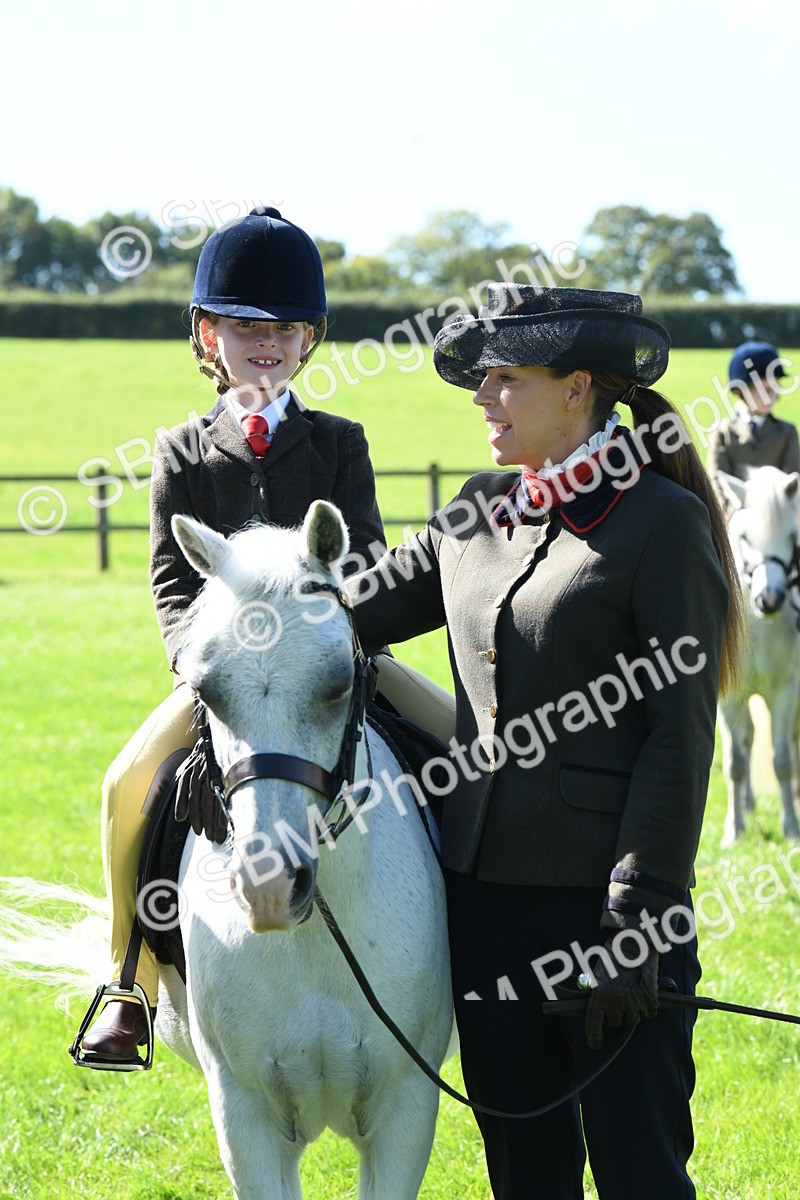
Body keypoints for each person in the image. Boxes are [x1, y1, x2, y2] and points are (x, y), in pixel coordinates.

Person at [345, 285, 745, 1200]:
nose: (483, 397)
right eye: (481, 381)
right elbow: (349, 612)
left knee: (641, 1172)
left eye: (505, 379)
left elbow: (678, 741)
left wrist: (638, 917)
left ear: (577, 389)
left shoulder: (662, 524)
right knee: (525, 1175)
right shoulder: (474, 512)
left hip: (610, 918)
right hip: (483, 909)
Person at [79, 206, 391, 1063]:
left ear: (309, 340)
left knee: (465, 744)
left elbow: (367, 557)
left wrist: (348, 644)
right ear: (206, 335)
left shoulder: (340, 443)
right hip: (226, 681)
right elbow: (173, 583)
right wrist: (198, 663)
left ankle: (474, 954)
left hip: (333, 667)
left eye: (284, 327)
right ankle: (128, 982)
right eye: (243, 325)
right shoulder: (182, 450)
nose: (265, 341)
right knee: (126, 782)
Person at [707, 339, 800, 510]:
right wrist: (728, 513)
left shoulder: (787, 432)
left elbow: (793, 481)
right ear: (740, 390)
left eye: (774, 388)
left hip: (777, 515)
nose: (770, 397)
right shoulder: (723, 432)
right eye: (763, 390)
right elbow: (716, 480)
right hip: (735, 517)